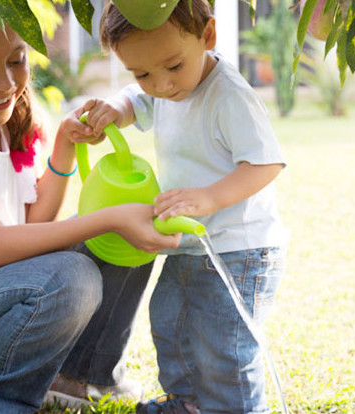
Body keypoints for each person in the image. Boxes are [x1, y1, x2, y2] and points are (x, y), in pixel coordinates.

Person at [73, 1, 288, 413]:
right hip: (190, 242)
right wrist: (116, 109)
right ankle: (187, 402)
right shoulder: (168, 85)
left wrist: (209, 197)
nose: (162, 84)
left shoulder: (228, 96)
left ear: (207, 36)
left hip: (238, 249)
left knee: (222, 341)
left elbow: (265, 163)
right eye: (142, 72)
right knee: (172, 322)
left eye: (172, 66)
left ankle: (231, 407)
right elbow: (140, 99)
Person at [0, 4, 181, 413]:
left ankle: (80, 377)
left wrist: (64, 146)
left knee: (120, 235)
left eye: (16, 61)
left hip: (1, 295)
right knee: (74, 274)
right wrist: (105, 219)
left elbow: (33, 225)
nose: (5, 82)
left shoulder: (9, 126)